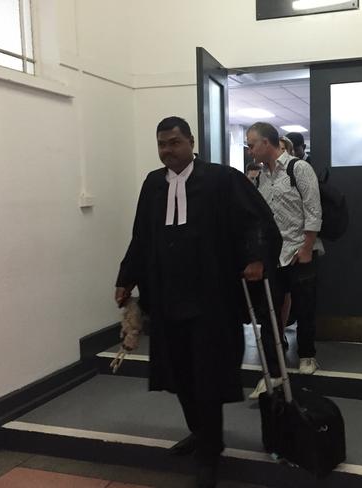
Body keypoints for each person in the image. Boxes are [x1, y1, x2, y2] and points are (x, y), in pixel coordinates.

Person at [115, 116, 281, 488]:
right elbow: (141, 236)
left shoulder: (221, 179)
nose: (167, 150)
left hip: (211, 299)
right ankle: (201, 433)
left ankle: (210, 449)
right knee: (180, 375)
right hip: (166, 298)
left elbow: (257, 219)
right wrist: (126, 279)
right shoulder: (153, 185)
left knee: (207, 377)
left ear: (190, 141)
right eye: (161, 144)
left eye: (174, 142)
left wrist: (255, 257)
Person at [246, 122, 323, 399]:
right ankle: (275, 372)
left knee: (304, 307)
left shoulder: (298, 169)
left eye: (252, 144)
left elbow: (313, 209)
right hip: (274, 256)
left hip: (300, 250)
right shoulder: (262, 177)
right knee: (270, 313)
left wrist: (307, 246)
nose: (250, 150)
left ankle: (307, 355)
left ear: (268, 143)